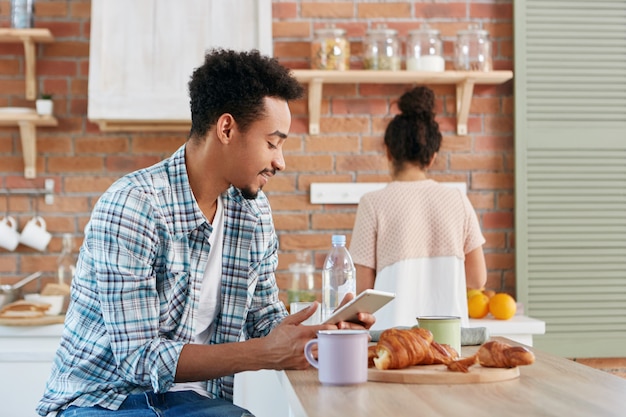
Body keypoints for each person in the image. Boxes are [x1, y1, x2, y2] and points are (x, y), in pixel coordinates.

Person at [37, 49, 374, 417]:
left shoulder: (252, 211)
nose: (280, 161)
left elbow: (264, 320)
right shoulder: (133, 206)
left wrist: (323, 334)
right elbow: (138, 360)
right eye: (272, 142)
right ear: (226, 128)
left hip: (189, 404)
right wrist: (265, 353)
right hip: (102, 402)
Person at [349, 86, 487, 330]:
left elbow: (363, 291)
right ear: (432, 156)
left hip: (392, 341)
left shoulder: (373, 203)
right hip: (449, 342)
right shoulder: (457, 200)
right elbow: (478, 279)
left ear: (389, 152)